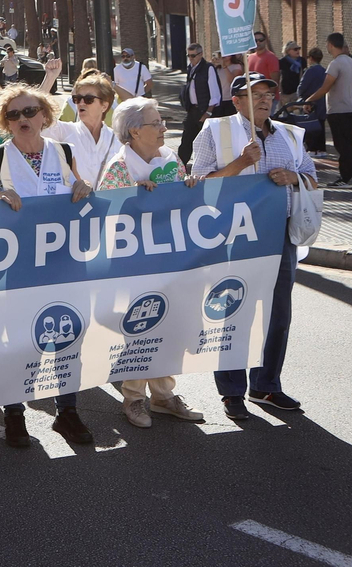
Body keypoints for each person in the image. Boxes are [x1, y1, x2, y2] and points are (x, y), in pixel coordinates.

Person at [190, 74, 317, 419]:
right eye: (255, 94)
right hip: (232, 237)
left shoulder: (289, 135)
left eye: (269, 94)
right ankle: (232, 392)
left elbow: (312, 176)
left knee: (277, 315)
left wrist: (294, 178)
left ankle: (266, 386)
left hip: (280, 235)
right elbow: (196, 184)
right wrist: (240, 164)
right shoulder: (215, 132)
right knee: (232, 312)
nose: (265, 100)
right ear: (237, 101)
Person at [0, 84, 94, 447]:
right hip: (18, 266)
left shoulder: (65, 150)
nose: (23, 119)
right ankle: (14, 415)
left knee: (67, 337)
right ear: (5, 122)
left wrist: (85, 188)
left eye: (30, 111)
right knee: (21, 341)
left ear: (45, 115)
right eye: (14, 114)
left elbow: (81, 193)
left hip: (64, 263)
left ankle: (67, 412)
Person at [96, 98, 205, 428]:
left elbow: (187, 202)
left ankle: (163, 395)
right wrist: (133, 195)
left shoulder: (170, 157)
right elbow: (105, 214)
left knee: (168, 324)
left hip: (169, 259)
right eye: (156, 123)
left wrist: (190, 187)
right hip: (134, 264)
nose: (164, 128)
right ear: (133, 131)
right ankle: (133, 398)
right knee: (139, 327)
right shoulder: (119, 166)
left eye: (162, 121)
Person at [301, 33, 352, 188]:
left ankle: (346, 177)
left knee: (342, 144)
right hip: (350, 107)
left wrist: (309, 99)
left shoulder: (335, 64)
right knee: (350, 142)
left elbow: (326, 86)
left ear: (330, 45)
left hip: (338, 109)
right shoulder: (350, 61)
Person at [46, 72, 120, 188]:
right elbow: (36, 118)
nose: (81, 103)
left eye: (88, 99)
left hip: (109, 205)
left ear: (104, 106)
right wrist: (49, 78)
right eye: (77, 98)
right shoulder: (64, 131)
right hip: (75, 204)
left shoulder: (117, 139)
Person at [179, 43, 225, 167]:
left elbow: (215, 94)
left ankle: (210, 166)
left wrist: (208, 112)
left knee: (207, 141)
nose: (191, 58)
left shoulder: (208, 68)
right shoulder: (191, 68)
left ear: (200, 54)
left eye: (193, 56)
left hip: (204, 110)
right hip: (192, 110)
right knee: (186, 139)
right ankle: (180, 167)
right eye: (189, 56)